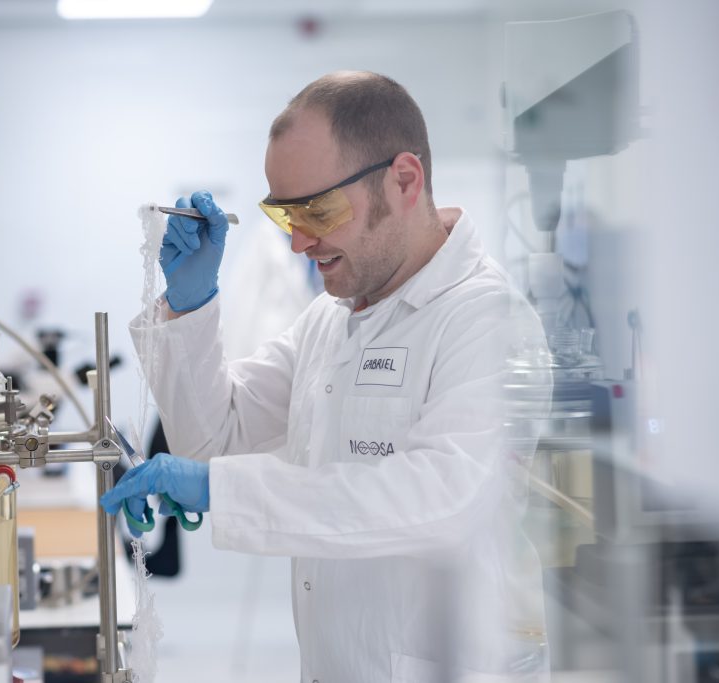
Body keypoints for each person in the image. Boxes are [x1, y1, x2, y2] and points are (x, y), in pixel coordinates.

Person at [102, 71, 550, 682]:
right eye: (285, 216)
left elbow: (443, 500)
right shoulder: (332, 318)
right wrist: (190, 305)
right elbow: (216, 439)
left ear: (404, 181)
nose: (299, 244)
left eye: (317, 210)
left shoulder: (486, 319)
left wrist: (224, 489)